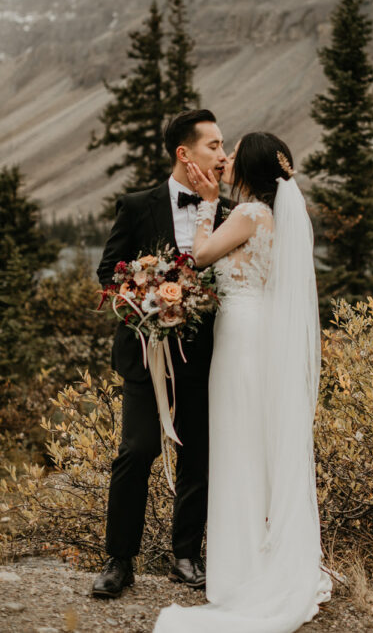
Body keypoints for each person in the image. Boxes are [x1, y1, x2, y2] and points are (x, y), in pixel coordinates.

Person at [154, 132, 332, 633]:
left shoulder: (248, 213)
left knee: (236, 444)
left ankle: (241, 573)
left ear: (249, 169)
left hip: (242, 339)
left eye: (233, 155)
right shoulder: (282, 220)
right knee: (254, 443)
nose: (224, 160)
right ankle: (258, 558)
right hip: (260, 335)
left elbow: (202, 255)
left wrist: (209, 203)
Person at [92, 109, 230, 598]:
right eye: (213, 145)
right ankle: (118, 561)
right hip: (146, 356)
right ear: (184, 153)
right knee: (136, 450)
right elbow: (108, 273)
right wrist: (147, 297)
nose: (222, 154)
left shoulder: (228, 211)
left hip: (203, 358)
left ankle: (186, 557)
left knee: (198, 457)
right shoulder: (136, 205)